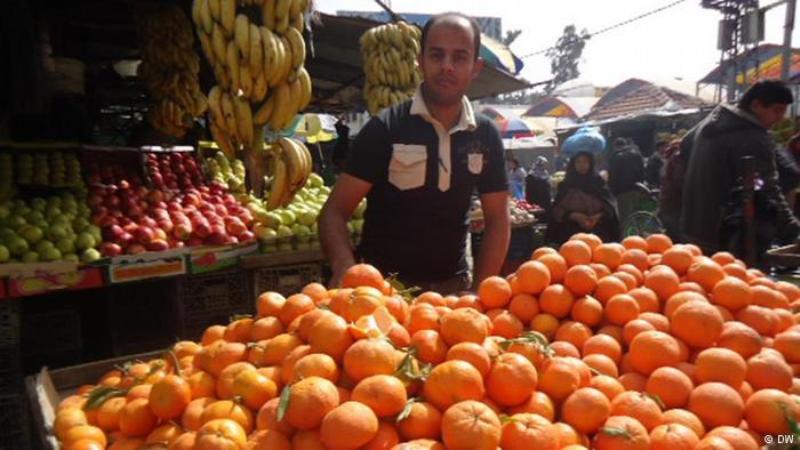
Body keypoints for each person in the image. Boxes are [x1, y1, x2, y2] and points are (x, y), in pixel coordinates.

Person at [319, 12, 510, 293]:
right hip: (384, 293)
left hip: (454, 290)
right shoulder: (385, 128)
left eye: (459, 57)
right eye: (436, 55)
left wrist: (481, 292)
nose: (447, 66)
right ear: (420, 61)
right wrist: (345, 268)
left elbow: (497, 219)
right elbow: (334, 212)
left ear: (475, 67)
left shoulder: (485, 135)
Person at [681, 79, 800, 256]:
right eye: (777, 110)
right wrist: (792, 230)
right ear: (756, 105)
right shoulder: (752, 137)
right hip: (728, 235)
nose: (781, 118)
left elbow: (684, 146)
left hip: (693, 226)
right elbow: (766, 187)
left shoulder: (713, 120)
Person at [546, 151, 620, 245]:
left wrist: (598, 217)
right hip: (570, 232)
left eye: (585, 161)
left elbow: (610, 207)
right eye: (578, 162)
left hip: (598, 230)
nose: (582, 165)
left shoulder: (598, 183)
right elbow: (556, 210)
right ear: (573, 165)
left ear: (590, 164)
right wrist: (573, 215)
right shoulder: (566, 185)